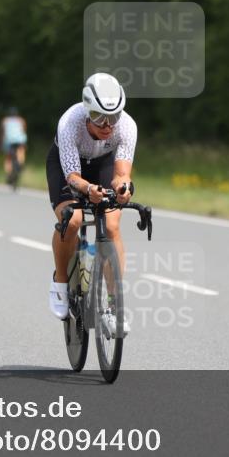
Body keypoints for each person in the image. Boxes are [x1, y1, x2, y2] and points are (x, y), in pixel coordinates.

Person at [46, 73, 137, 330]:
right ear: (87, 112)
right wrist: (88, 190)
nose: (108, 125)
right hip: (68, 167)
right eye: (99, 118)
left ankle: (113, 305)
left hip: (102, 163)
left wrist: (122, 187)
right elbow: (73, 176)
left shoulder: (127, 126)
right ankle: (61, 282)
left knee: (111, 225)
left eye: (114, 117)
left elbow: (122, 173)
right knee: (72, 220)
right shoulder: (69, 123)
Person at [0, 107, 28, 183]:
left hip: (9, 141)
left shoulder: (5, 120)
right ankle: (20, 164)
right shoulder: (21, 120)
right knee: (21, 150)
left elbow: (2, 133)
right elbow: (24, 131)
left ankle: (8, 174)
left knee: (8, 158)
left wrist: (1, 143)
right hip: (19, 140)